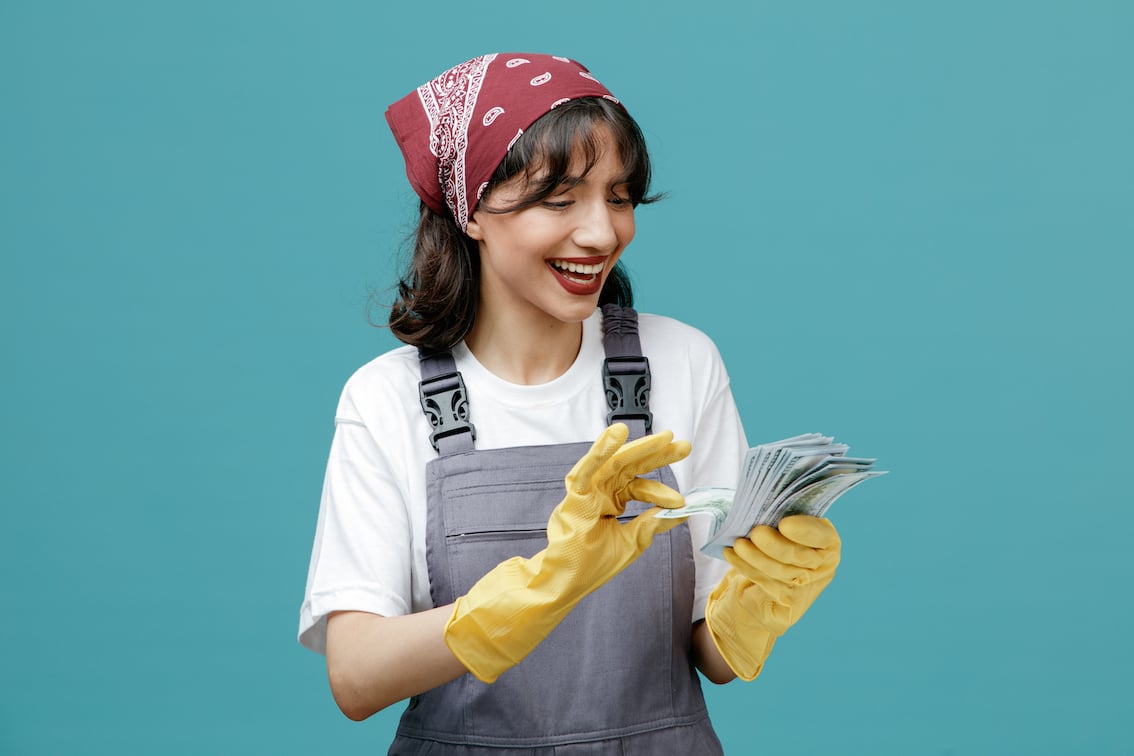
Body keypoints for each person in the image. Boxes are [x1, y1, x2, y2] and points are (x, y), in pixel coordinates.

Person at [298, 53, 843, 754]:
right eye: (559, 200)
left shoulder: (682, 362)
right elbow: (357, 676)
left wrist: (755, 604)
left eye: (618, 197)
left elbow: (711, 655)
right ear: (473, 212)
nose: (601, 233)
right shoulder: (387, 398)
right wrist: (538, 589)